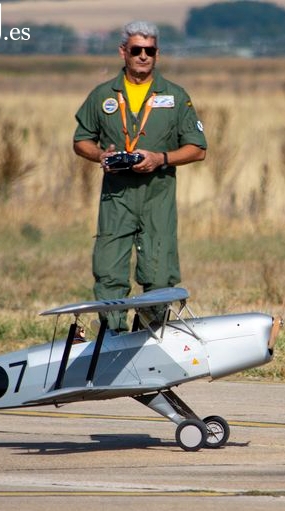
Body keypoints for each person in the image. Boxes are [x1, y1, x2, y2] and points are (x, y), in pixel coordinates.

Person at [73, 20, 207, 332]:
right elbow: (81, 141)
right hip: (116, 198)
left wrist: (160, 158)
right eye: (137, 50)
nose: (143, 56)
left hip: (157, 197)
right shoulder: (102, 95)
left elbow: (198, 148)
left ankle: (147, 339)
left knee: (159, 276)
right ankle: (112, 339)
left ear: (157, 53)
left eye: (150, 50)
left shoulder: (175, 96)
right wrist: (101, 155)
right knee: (108, 273)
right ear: (124, 52)